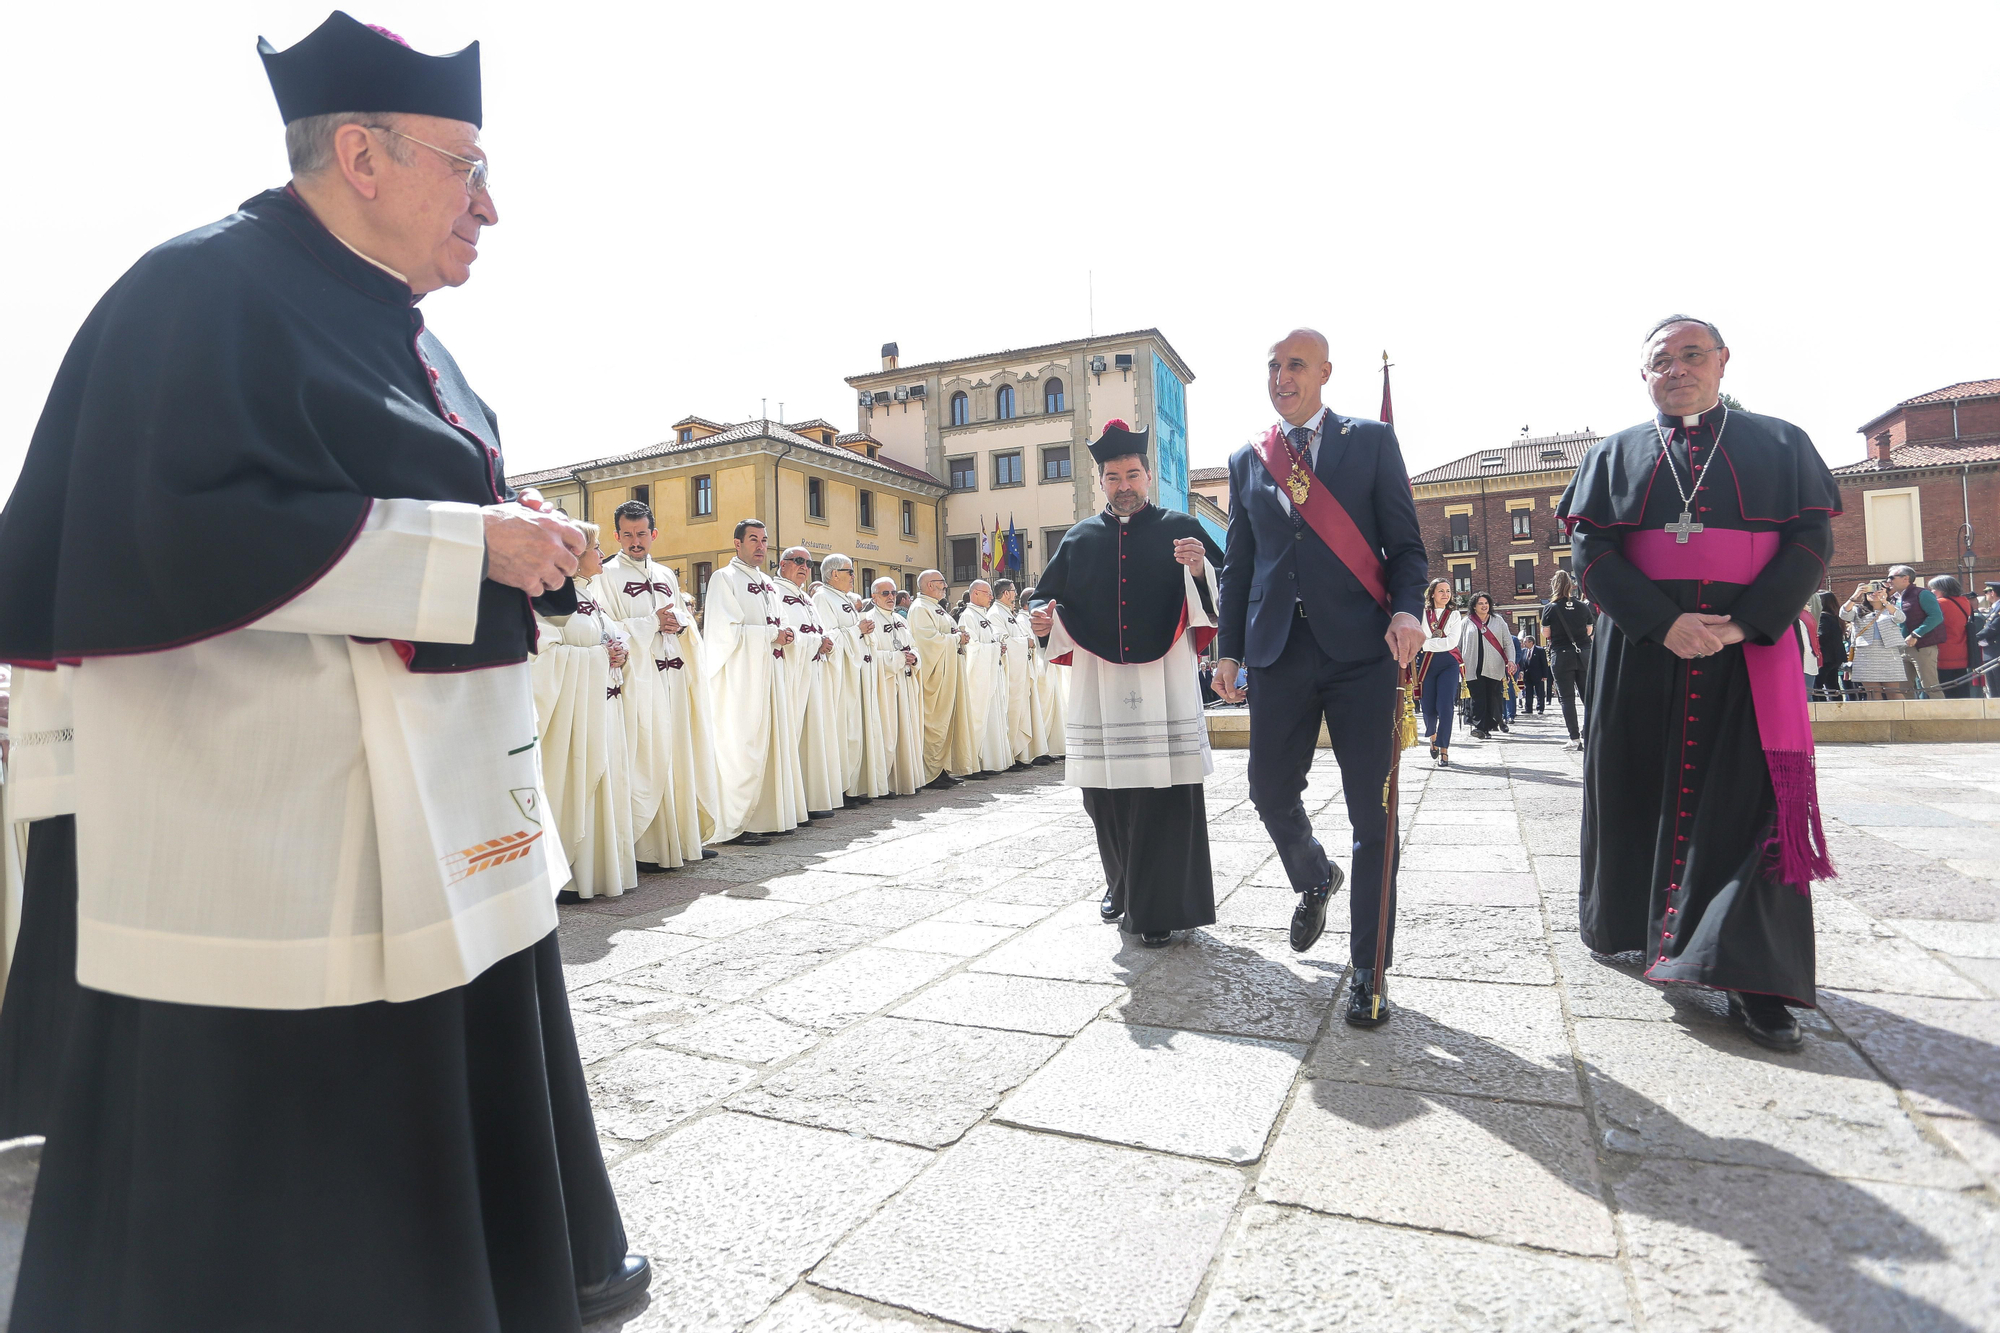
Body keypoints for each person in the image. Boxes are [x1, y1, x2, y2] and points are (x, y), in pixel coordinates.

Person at [0, 15, 650, 1326]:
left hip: (444, 814)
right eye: (467, 167)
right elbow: (173, 530)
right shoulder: (195, 292)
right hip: (278, 842)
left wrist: (515, 538)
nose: (490, 207)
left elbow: (397, 499)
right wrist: (469, 541)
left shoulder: (414, 331)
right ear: (360, 153)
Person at [1558, 314, 1840, 1054]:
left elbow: (1812, 541)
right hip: (1642, 652)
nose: (1677, 369)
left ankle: (1756, 979)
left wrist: (1745, 623)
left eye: (1691, 355)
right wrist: (1662, 622)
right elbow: (1592, 550)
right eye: (1662, 360)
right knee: (1636, 788)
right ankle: (1638, 926)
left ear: (1722, 361)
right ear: (1643, 374)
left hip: (1749, 653)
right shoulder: (1612, 454)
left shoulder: (1782, 443)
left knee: (1750, 810)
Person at [1211, 329, 1427, 1024]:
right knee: (1269, 789)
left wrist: (1407, 610)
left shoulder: (1371, 443)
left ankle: (1370, 969)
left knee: (1373, 813)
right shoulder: (1248, 459)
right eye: (1273, 366)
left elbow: (1407, 547)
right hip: (1278, 652)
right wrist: (1228, 650)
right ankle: (1314, 875)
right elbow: (1239, 565)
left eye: (1295, 365)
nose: (1281, 376)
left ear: (1326, 372)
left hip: (1362, 652)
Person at [1031, 422, 1225, 947]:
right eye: (1113, 477)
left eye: (1132, 475)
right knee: (1103, 794)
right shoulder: (1079, 537)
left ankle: (1158, 907)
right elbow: (1043, 595)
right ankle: (1120, 884)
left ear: (1148, 475)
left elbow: (1225, 585)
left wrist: (1200, 568)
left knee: (1165, 792)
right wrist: (1041, 618)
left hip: (1166, 680)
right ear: (1101, 481)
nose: (1124, 486)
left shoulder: (1181, 527)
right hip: (1100, 681)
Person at [594, 500, 715, 869]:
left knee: (677, 750)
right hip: (637, 682)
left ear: (654, 534)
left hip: (673, 676)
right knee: (645, 755)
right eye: (628, 534)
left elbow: (681, 619)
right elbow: (604, 629)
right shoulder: (605, 575)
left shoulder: (665, 575)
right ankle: (644, 847)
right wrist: (651, 623)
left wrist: (679, 623)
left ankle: (680, 840)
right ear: (616, 535)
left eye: (642, 533)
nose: (635, 541)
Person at [533, 527, 638, 900]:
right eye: (596, 547)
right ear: (573, 556)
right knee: (576, 783)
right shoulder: (547, 598)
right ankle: (570, 875)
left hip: (601, 710)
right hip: (572, 720)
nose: (602, 554)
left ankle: (598, 873)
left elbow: (607, 639)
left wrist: (620, 652)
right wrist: (597, 657)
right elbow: (541, 654)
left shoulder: (589, 595)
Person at [703, 520, 803, 844]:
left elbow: (781, 622)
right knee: (743, 747)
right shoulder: (724, 579)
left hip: (770, 673)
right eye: (753, 540)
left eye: (764, 540)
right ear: (737, 543)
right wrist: (771, 635)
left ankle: (768, 818)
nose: (761, 546)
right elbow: (723, 633)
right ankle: (736, 823)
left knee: (772, 744)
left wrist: (787, 634)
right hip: (741, 679)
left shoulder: (768, 584)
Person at [812, 555, 884, 806]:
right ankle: (839, 789)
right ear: (834, 574)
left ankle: (853, 786)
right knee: (842, 730)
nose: (854, 576)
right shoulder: (822, 598)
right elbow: (828, 637)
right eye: (849, 571)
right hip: (838, 676)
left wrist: (864, 632)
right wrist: (857, 630)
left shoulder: (843, 599)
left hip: (854, 672)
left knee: (854, 731)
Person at [777, 547, 843, 818]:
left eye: (809, 563)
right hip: (792, 674)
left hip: (814, 671)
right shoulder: (775, 592)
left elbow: (820, 630)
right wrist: (816, 642)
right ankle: (792, 803)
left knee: (815, 735)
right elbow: (786, 634)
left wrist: (827, 642)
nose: (804, 567)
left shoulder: (806, 597)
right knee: (794, 735)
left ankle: (812, 799)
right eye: (798, 561)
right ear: (783, 564)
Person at [907, 570, 975, 787]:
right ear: (929, 585)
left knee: (947, 721)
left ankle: (942, 768)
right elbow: (928, 642)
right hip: (934, 676)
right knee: (935, 722)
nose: (945, 586)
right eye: (942, 583)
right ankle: (931, 772)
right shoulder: (920, 608)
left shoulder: (935, 607)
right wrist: (956, 638)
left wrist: (960, 637)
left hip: (949, 673)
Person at [870, 577, 927, 794]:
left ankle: (907, 779)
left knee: (908, 730)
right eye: (885, 593)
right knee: (888, 733)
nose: (891, 597)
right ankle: (886, 784)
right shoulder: (869, 620)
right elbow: (870, 656)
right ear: (874, 596)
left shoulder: (901, 620)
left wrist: (914, 657)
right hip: (885, 685)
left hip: (906, 682)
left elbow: (914, 646)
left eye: (893, 593)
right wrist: (898, 658)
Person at [957, 580, 1016, 775]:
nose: (991, 597)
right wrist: (995, 648)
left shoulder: (983, 615)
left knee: (994, 716)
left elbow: (991, 639)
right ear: (975, 593)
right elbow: (971, 647)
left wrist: (999, 645)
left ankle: (992, 762)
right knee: (979, 717)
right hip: (979, 677)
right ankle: (976, 763)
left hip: (991, 672)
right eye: (987, 593)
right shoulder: (967, 616)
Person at [1541, 569, 1594, 750]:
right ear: (1572, 586)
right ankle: (1590, 733)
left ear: (1554, 586)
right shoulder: (1583, 606)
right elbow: (1589, 631)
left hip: (1562, 654)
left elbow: (1546, 633)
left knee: (1567, 698)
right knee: (1588, 697)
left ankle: (1574, 738)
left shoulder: (1550, 608)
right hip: (1583, 653)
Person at [1416, 579, 1463, 767]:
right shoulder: (1422, 613)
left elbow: (1452, 643)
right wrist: (1427, 644)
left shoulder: (1455, 615)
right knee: (1427, 707)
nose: (1445, 594)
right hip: (1426, 664)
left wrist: (1426, 644)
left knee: (1445, 707)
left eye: (1448, 591)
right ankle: (1433, 737)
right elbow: (1418, 638)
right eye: (1441, 591)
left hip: (1448, 664)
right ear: (1432, 594)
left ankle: (1444, 749)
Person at [1459, 593, 1516, 739]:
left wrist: (1511, 660)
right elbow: (1458, 645)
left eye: (1486, 603)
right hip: (1472, 666)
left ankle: (1489, 725)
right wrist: (1458, 663)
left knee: (1492, 697)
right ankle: (1480, 728)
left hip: (1494, 666)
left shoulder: (1498, 621)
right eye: (1480, 603)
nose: (1484, 606)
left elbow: (1508, 642)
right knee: (1477, 698)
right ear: (1474, 606)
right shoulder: (1466, 622)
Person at [1842, 582, 1909, 699]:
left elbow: (1900, 618)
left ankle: (1900, 711)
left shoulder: (1891, 608)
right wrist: (1855, 595)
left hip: (1889, 654)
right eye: (1870, 591)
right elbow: (1844, 615)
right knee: (1873, 692)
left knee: (1893, 691)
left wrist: (1885, 601)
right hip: (1865, 654)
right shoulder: (1858, 609)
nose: (1874, 593)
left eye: (1879, 590)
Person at [1890, 564, 1943, 697]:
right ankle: (1908, 711)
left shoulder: (1922, 594)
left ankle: (1941, 710)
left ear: (1905, 578)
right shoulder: (1893, 598)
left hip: (1922, 647)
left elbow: (1936, 616)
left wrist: (1916, 634)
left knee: (1930, 686)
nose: (1888, 581)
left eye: (1892, 577)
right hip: (1901, 648)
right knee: (1903, 688)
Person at [1930, 574, 1975, 699]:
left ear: (1942, 589)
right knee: (1961, 692)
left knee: (1945, 692)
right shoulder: (1965, 601)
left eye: (1933, 588)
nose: (1931, 592)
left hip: (1943, 652)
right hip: (1962, 651)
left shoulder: (1939, 603)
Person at [1813, 590, 1848, 701]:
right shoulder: (1835, 617)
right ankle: (1837, 706)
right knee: (1832, 685)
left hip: (1825, 657)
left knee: (1817, 685)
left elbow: (1821, 635)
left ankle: (1821, 707)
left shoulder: (1823, 617)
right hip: (1836, 657)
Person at [1976, 583, 2000, 696]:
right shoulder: (1994, 608)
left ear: (1992, 593)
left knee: (1997, 688)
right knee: (1993, 688)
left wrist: (1975, 638)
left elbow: (1993, 627)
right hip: (1991, 652)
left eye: (1986, 592)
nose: (1985, 594)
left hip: (1996, 652)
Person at [1521, 632, 1551, 713]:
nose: (1524, 643)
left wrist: (1545, 675)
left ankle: (1540, 708)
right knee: (1528, 692)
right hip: (1527, 675)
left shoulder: (1540, 650)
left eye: (1525, 642)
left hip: (1538, 675)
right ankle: (1528, 708)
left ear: (1531, 642)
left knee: (1539, 692)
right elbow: (1522, 663)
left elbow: (1544, 663)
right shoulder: (1523, 651)